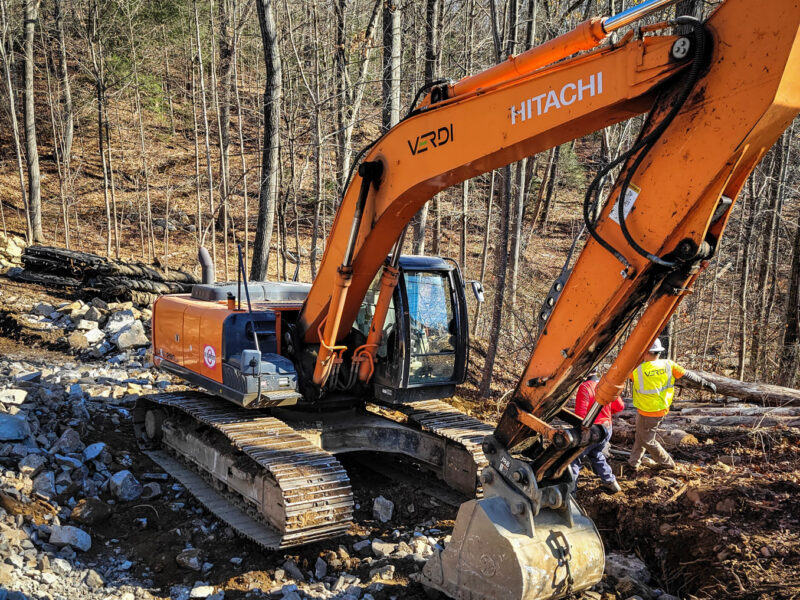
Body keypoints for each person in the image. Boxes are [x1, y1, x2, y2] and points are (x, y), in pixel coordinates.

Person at [628, 338, 716, 470]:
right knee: (640, 435)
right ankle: (634, 462)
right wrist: (705, 383)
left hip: (648, 411)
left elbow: (621, 375)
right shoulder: (668, 365)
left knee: (647, 440)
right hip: (659, 409)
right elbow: (688, 375)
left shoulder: (638, 371)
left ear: (646, 352)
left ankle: (667, 464)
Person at [570, 369, 625, 494]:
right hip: (607, 428)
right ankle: (610, 482)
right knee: (595, 454)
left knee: (573, 457)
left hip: (593, 431)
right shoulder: (606, 385)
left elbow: (580, 415)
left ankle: (570, 491)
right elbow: (620, 406)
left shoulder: (585, 387)